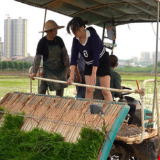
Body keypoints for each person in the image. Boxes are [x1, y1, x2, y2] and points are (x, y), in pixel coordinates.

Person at [66, 17, 112, 102]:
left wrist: (94, 73)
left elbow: (96, 55)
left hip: (102, 61)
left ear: (82, 28)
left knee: (105, 91)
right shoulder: (75, 40)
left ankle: (112, 114)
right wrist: (72, 74)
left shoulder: (92, 36)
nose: (73, 33)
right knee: (89, 89)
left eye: (75, 30)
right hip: (89, 63)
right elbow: (73, 58)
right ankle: (88, 112)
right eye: (72, 30)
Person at [29, 20, 70, 97]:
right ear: (49, 31)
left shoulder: (59, 40)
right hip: (47, 70)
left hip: (60, 70)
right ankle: (40, 104)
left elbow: (65, 54)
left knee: (60, 92)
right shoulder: (42, 42)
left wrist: (68, 67)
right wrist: (34, 72)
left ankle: (58, 106)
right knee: (42, 89)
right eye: (55, 30)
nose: (56, 32)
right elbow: (38, 58)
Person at [94, 55, 136, 124]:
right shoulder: (115, 75)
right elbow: (118, 94)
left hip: (96, 100)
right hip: (107, 102)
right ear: (117, 64)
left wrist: (118, 87)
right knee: (132, 107)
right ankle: (126, 126)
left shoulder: (97, 72)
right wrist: (119, 89)